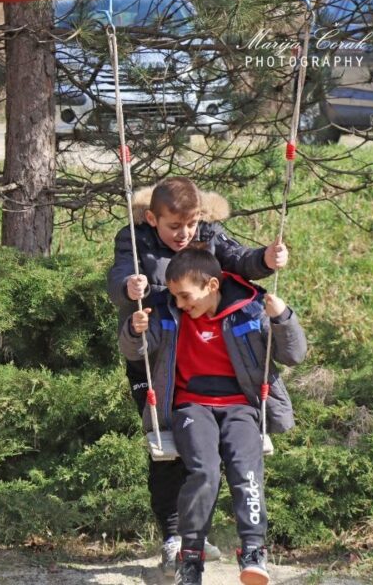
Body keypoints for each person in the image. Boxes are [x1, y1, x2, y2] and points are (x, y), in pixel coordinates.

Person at [105, 177, 288, 574]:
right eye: (174, 226)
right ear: (153, 219)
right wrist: (128, 286)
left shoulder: (208, 233)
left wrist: (265, 258)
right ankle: (174, 537)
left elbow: (238, 259)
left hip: (198, 357)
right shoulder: (134, 239)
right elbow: (117, 278)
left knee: (206, 451)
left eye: (191, 224)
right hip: (153, 356)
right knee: (167, 442)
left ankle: (201, 534)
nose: (184, 234)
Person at [120, 248, 307, 585]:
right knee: (204, 472)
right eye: (175, 296)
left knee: (246, 471)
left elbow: (293, 354)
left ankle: (253, 551)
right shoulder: (166, 312)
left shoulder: (250, 309)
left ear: (211, 285)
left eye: (185, 296)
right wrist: (135, 330)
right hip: (191, 407)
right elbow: (136, 352)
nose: (179, 303)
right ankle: (191, 558)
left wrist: (283, 317)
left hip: (241, 407)